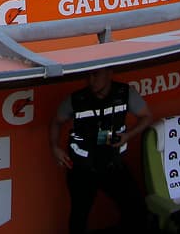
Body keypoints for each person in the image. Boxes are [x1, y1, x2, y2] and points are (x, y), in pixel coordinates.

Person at [51, 67, 152, 233]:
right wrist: (55, 147)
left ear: (109, 73)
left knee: (136, 209)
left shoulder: (125, 93)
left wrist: (128, 135)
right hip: (83, 168)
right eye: (88, 75)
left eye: (96, 74)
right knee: (79, 217)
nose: (91, 80)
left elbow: (146, 116)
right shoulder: (76, 99)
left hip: (112, 164)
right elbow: (56, 121)